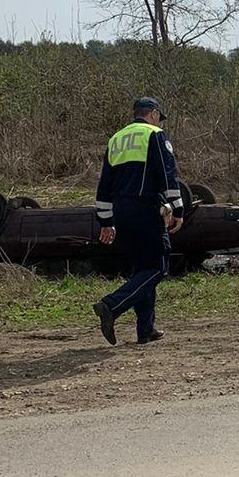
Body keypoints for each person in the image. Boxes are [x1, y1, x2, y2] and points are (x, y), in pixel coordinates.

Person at [92, 97, 184, 347]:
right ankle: (111, 305)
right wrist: (177, 208)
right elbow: (167, 174)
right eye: (158, 116)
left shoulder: (116, 139)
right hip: (146, 208)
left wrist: (105, 221)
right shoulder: (155, 134)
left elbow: (104, 185)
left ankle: (146, 329)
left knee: (142, 269)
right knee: (158, 267)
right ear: (153, 114)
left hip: (121, 212)